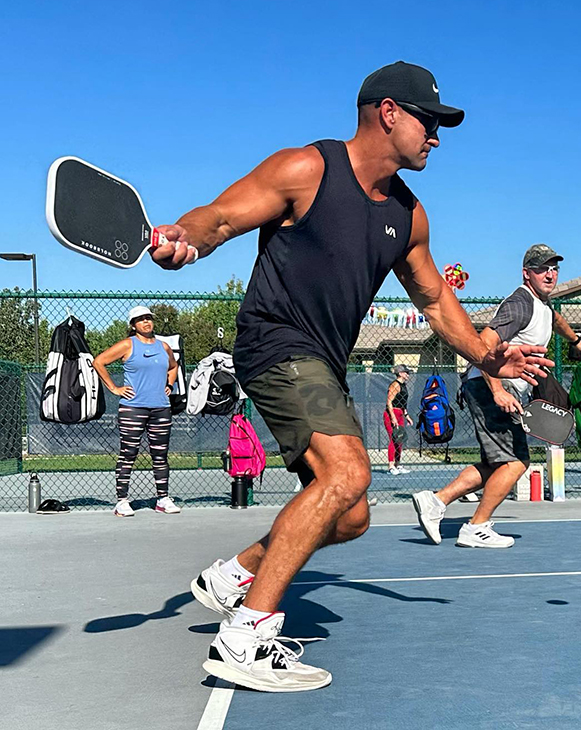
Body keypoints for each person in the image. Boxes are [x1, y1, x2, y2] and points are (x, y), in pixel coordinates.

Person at [151, 61, 553, 692]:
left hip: (323, 363)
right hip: (275, 342)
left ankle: (236, 574)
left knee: (351, 514)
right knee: (348, 472)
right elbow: (221, 216)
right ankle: (246, 636)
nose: (437, 138)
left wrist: (485, 353)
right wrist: (187, 239)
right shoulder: (307, 169)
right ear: (388, 112)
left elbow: (433, 301)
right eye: (431, 122)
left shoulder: (408, 215)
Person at [412, 244, 581, 548]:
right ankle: (475, 527)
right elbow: (485, 343)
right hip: (489, 385)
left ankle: (436, 502)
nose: (550, 274)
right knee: (517, 462)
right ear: (527, 273)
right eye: (541, 268)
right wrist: (496, 390)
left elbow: (555, 320)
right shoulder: (520, 304)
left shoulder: (543, 305)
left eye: (554, 268)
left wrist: (576, 341)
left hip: (492, 386)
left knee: (496, 463)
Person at [92, 306, 180, 517]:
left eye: (148, 318)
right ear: (133, 325)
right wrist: (114, 388)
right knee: (128, 454)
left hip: (161, 408)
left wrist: (170, 383)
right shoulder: (127, 345)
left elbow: (174, 366)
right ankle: (122, 501)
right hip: (133, 408)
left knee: (160, 455)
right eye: (140, 320)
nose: (146, 322)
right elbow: (99, 361)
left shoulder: (164, 346)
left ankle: (163, 499)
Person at [384, 364, 413, 475]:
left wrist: (407, 416)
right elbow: (389, 402)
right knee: (393, 438)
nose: (408, 374)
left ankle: (397, 464)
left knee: (399, 439)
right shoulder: (395, 385)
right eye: (406, 372)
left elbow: (403, 403)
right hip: (392, 413)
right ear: (400, 373)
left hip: (400, 413)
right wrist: (393, 417)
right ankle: (391, 466)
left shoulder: (404, 385)